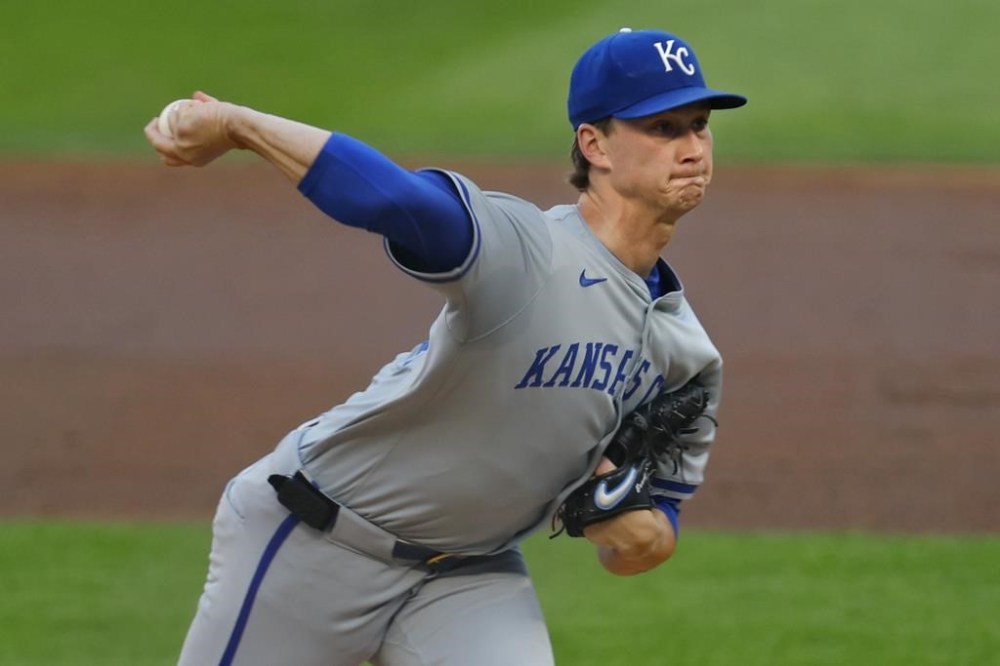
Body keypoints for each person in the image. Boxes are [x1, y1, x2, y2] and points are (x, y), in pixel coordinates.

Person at [144, 27, 746, 666]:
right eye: (662, 128)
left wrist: (635, 529)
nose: (692, 148)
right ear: (594, 143)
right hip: (316, 539)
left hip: (468, 574)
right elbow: (398, 202)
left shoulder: (687, 356)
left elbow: (652, 537)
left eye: (699, 125)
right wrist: (237, 125)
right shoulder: (528, 251)